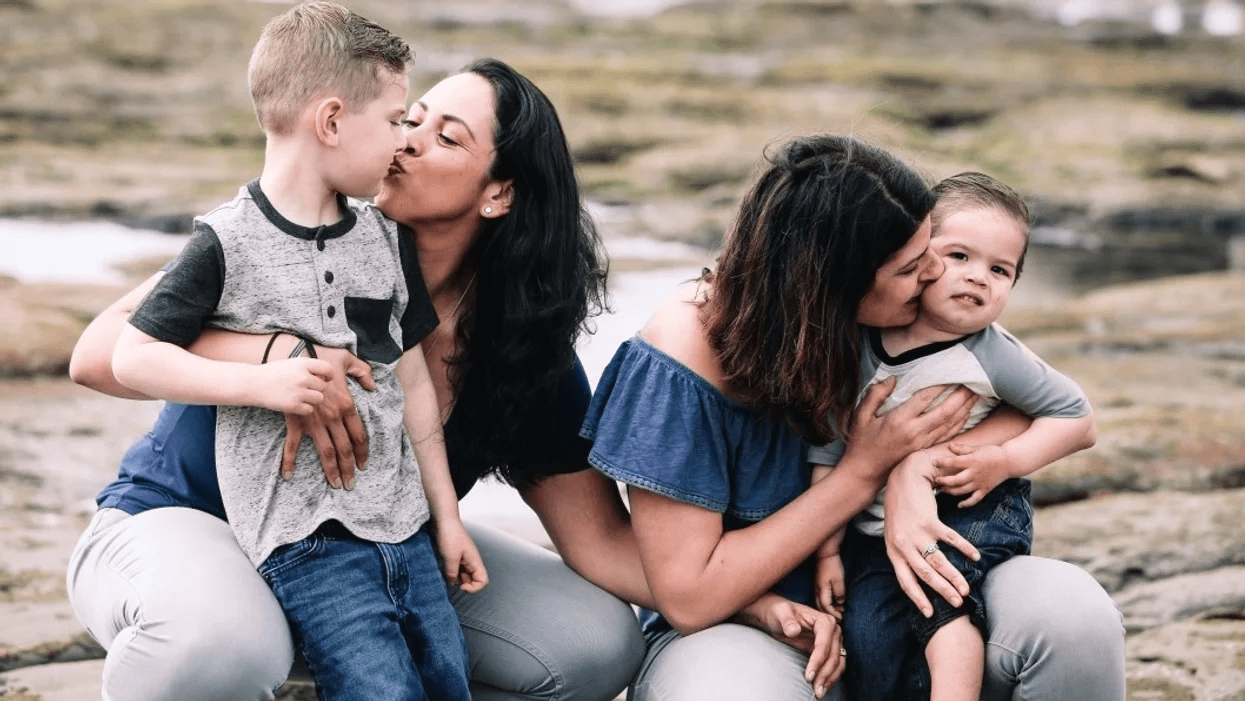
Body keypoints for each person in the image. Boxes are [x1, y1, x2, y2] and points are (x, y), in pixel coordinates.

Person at [66, 57, 646, 701]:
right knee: (222, 644)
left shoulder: (521, 347)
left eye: (445, 137)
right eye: (410, 119)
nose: (407, 140)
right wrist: (274, 353)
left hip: (369, 549)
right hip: (190, 522)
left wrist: (744, 591)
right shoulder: (288, 234)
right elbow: (95, 354)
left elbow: (601, 543)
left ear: (499, 193)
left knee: (593, 645)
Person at [579, 134, 1126, 701]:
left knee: (1073, 617)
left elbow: (1035, 406)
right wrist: (864, 471)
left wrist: (916, 466)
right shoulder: (685, 357)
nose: (941, 270)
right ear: (836, 287)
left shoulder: (902, 319)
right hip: (748, 627)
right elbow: (690, 597)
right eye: (916, 264)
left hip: (906, 582)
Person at [107, 4, 483, 699]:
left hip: (404, 528)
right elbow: (131, 356)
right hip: (305, 540)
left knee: (447, 683)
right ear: (333, 120)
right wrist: (268, 383)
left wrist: (447, 518)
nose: (402, 141)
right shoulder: (225, 242)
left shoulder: (386, 241)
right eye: (396, 118)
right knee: (379, 690)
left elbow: (415, 382)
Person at [807, 172, 1097, 701]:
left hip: (973, 506)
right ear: (917, 256)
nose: (978, 277)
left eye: (1000, 269)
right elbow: (828, 449)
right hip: (870, 533)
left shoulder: (992, 352)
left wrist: (1004, 460)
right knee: (869, 638)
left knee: (942, 604)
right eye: (959, 256)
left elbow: (1076, 418)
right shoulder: (855, 344)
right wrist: (826, 553)